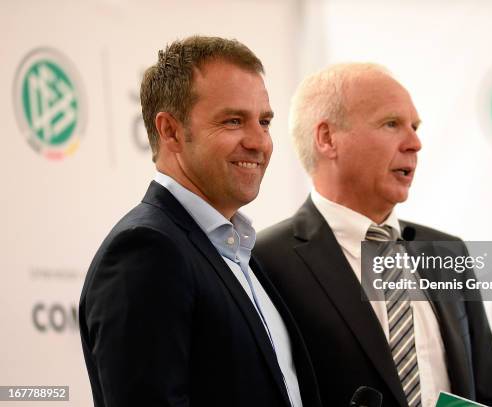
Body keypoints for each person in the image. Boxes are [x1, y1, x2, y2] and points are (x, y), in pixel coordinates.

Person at [79, 36, 320, 407]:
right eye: (233, 121)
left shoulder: (239, 252)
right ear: (170, 130)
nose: (259, 142)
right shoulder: (145, 250)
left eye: (265, 121)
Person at [254, 63, 492, 407]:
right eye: (392, 124)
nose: (415, 143)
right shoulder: (266, 261)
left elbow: (490, 395)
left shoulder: (448, 252)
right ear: (327, 138)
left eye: (415, 127)